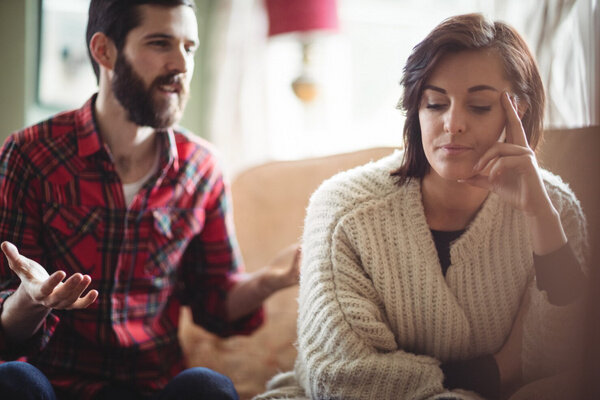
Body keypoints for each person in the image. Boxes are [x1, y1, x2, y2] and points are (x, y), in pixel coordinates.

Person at [255, 13, 588, 400]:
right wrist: (496, 372)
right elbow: (337, 379)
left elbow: (566, 358)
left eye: (479, 105)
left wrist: (540, 218)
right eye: (434, 103)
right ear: (416, 108)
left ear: (520, 110)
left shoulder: (556, 211)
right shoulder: (343, 211)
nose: (453, 123)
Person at [0, 1, 300, 399]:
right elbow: (6, 325)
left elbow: (215, 302)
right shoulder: (29, 155)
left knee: (210, 388)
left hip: (152, 387)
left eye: (189, 47)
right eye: (160, 43)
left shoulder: (202, 168)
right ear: (104, 51)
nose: (180, 64)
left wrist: (269, 282)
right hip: (52, 383)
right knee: (14, 382)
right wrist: (31, 299)